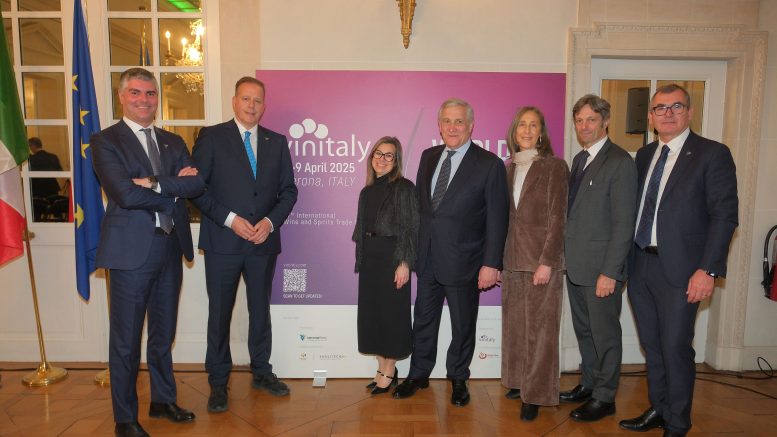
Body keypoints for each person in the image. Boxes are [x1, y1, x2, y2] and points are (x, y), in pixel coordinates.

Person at [91, 67, 205, 437]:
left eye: (150, 93)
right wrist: (172, 190)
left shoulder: (172, 141)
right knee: (126, 341)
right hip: (130, 254)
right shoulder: (105, 141)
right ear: (122, 97)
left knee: (163, 334)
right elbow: (125, 194)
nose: (144, 100)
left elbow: (197, 184)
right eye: (136, 92)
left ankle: (162, 400)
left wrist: (154, 182)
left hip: (170, 247)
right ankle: (125, 419)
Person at [619, 84, 738, 437]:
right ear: (651, 117)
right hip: (641, 264)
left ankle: (678, 421)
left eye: (676, 106)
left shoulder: (712, 154)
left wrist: (708, 270)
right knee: (653, 345)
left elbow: (724, 216)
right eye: (660, 108)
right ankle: (659, 407)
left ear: (689, 112)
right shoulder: (644, 156)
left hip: (684, 271)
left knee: (674, 346)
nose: (668, 113)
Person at [191, 76, 298, 413]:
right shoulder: (211, 137)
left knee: (260, 312)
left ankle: (261, 372)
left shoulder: (276, 142)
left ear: (264, 106)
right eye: (246, 99)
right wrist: (230, 220)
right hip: (223, 241)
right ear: (234, 101)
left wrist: (269, 223)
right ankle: (218, 382)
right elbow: (196, 189)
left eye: (258, 100)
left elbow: (289, 191)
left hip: (262, 243)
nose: (252, 105)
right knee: (219, 314)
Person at [393, 98, 509, 406]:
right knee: (423, 320)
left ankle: (458, 377)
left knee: (462, 324)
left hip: (466, 261)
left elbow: (497, 219)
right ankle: (418, 373)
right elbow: (423, 210)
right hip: (428, 257)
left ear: (471, 125)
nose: (453, 127)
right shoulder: (428, 156)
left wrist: (491, 264)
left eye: (459, 121)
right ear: (439, 125)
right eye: (447, 121)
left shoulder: (490, 164)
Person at [562, 94, 638, 422]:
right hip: (577, 266)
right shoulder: (579, 160)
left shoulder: (619, 162)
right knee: (585, 331)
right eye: (579, 120)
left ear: (605, 121)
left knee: (605, 335)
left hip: (601, 272)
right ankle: (590, 384)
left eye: (591, 119)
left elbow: (624, 224)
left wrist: (611, 271)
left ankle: (605, 398)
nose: (584, 126)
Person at [500, 107, 569, 421]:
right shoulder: (508, 169)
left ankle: (537, 394)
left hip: (541, 262)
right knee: (515, 329)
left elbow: (558, 218)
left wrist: (547, 262)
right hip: (512, 261)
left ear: (541, 133)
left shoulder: (554, 166)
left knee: (541, 333)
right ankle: (519, 382)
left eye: (533, 125)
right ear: (514, 132)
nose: (527, 131)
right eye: (522, 125)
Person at [352, 136, 419, 395]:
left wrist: (404, 263)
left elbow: (410, 228)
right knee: (373, 315)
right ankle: (382, 367)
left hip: (393, 258)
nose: (382, 159)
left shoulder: (404, 188)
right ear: (371, 158)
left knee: (392, 316)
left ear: (396, 160)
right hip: (370, 259)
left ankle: (390, 369)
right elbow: (362, 230)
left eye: (388, 155)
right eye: (378, 154)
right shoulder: (366, 191)